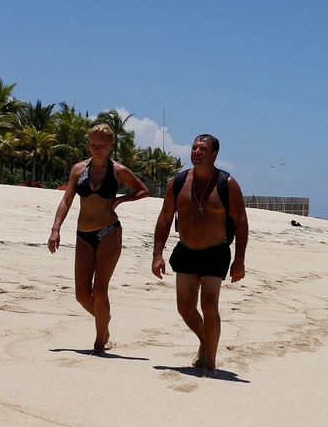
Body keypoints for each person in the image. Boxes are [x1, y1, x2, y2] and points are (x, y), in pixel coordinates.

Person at [151, 134, 249, 374]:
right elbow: (165, 219)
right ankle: (205, 342)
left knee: (209, 306)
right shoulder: (178, 182)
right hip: (186, 250)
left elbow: (241, 222)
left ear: (214, 154)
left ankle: (210, 364)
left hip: (216, 252)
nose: (197, 152)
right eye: (194, 148)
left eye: (203, 149)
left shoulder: (228, 183)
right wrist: (157, 254)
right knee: (185, 309)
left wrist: (239, 260)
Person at [47, 123, 149, 352]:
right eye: (93, 144)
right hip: (83, 234)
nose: (96, 148)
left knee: (100, 289)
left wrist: (121, 200)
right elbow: (66, 200)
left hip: (109, 232)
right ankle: (104, 318)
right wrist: (56, 229)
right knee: (82, 294)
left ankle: (99, 341)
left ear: (111, 145)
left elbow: (143, 190)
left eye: (101, 145)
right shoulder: (78, 169)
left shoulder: (118, 170)